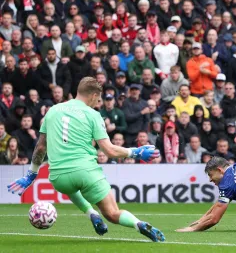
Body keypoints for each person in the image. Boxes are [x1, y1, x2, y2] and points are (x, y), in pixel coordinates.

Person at [7, 77, 165, 242]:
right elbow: (109, 150)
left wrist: (31, 174)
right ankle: (138, 224)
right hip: (86, 172)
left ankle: (92, 214)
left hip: (58, 177)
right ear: (93, 95)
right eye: (97, 99)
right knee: (112, 213)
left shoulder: (53, 110)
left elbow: (40, 147)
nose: (97, 103)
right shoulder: (93, 115)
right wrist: (136, 152)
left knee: (71, 186)